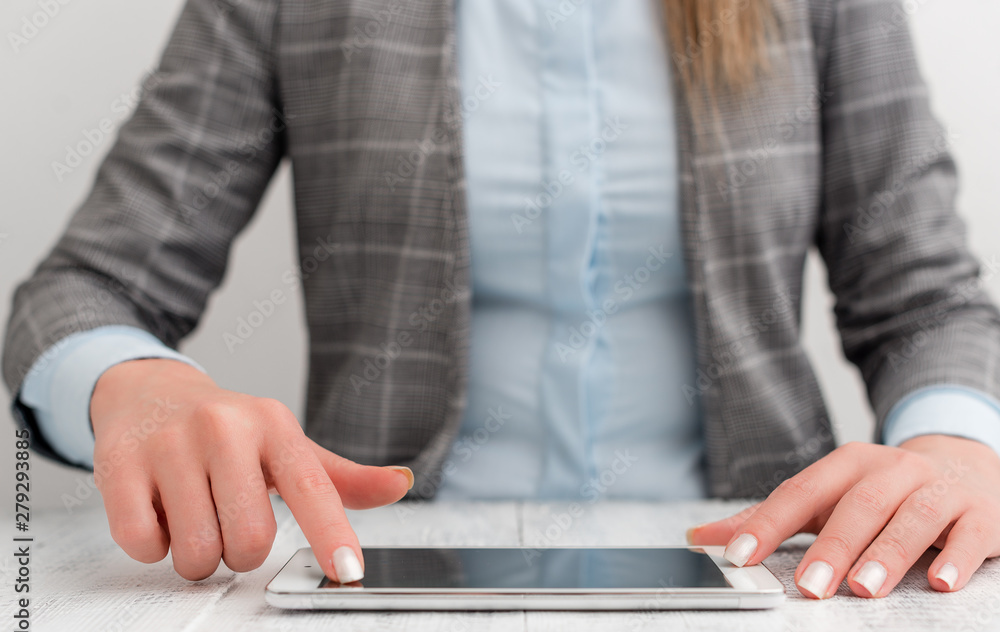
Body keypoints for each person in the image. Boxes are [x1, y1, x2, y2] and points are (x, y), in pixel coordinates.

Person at [4, 0, 1000, 601]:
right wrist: (134, 385)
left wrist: (956, 445)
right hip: (388, 586)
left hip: (769, 578)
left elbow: (927, 304)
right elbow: (88, 287)